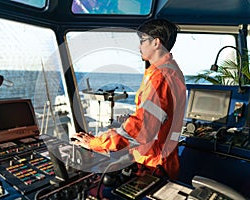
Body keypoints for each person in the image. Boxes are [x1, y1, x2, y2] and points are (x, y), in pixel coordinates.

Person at [72, 19, 186, 180]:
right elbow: (157, 118)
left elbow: (141, 130)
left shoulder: (160, 77)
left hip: (153, 166)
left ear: (156, 43)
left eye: (142, 41)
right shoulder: (171, 70)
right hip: (163, 158)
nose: (139, 47)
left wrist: (94, 143)